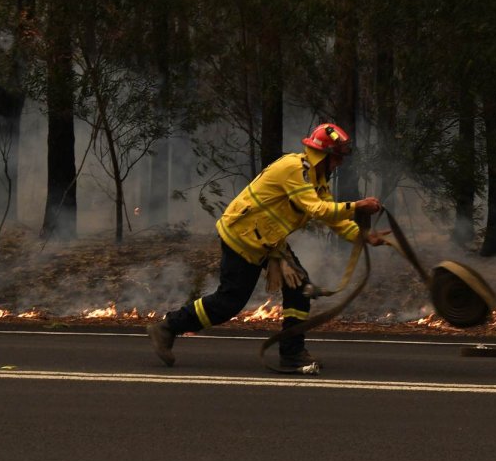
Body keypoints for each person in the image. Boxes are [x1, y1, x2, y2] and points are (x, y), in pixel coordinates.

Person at [148, 122, 388, 373]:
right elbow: (317, 209)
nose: (339, 164)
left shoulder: (317, 179)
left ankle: (292, 353)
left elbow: (331, 216)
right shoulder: (295, 169)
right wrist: (357, 206)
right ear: (324, 155)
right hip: (243, 237)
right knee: (229, 302)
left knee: (300, 288)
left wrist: (362, 236)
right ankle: (167, 327)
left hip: (268, 241)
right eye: (336, 158)